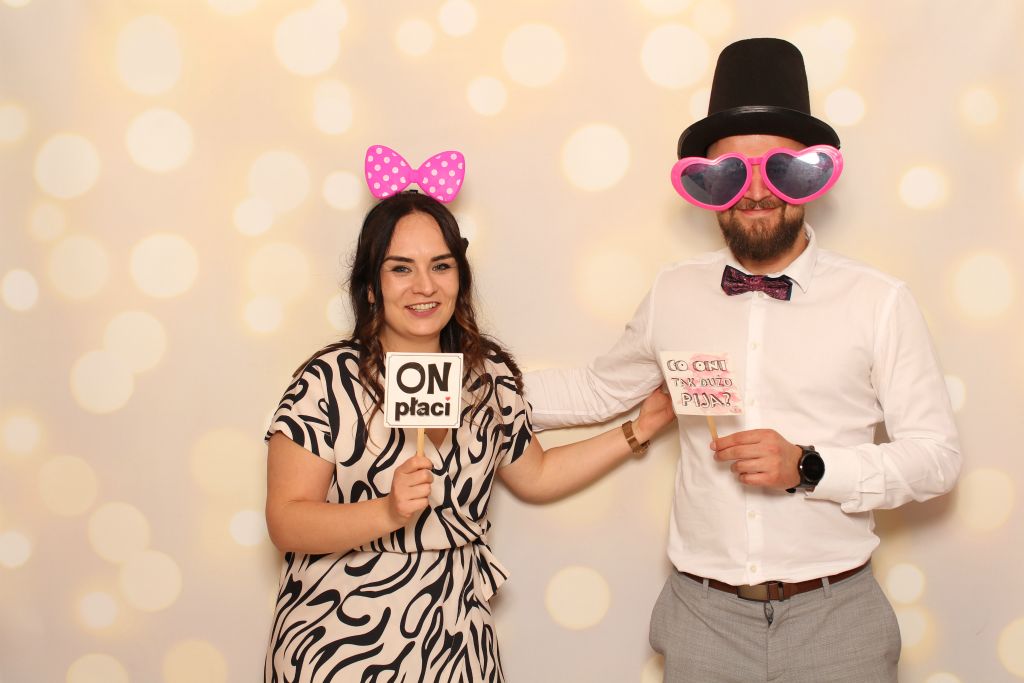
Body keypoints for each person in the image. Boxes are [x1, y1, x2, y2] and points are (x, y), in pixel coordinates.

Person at [524, 38, 961, 682]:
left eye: (780, 169)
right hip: (703, 620)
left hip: (837, 619)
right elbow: (596, 390)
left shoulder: (879, 301)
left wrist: (809, 466)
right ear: (707, 183)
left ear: (812, 176)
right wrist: (465, 383)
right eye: (732, 173)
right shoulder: (674, 292)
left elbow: (937, 458)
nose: (756, 192)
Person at [262, 153, 675, 682]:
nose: (425, 286)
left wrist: (640, 428)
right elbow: (286, 521)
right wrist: (386, 511)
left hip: (456, 640)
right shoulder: (328, 380)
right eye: (401, 268)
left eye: (441, 265)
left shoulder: (487, 374)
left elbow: (537, 474)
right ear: (370, 286)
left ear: (460, 277)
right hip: (339, 643)